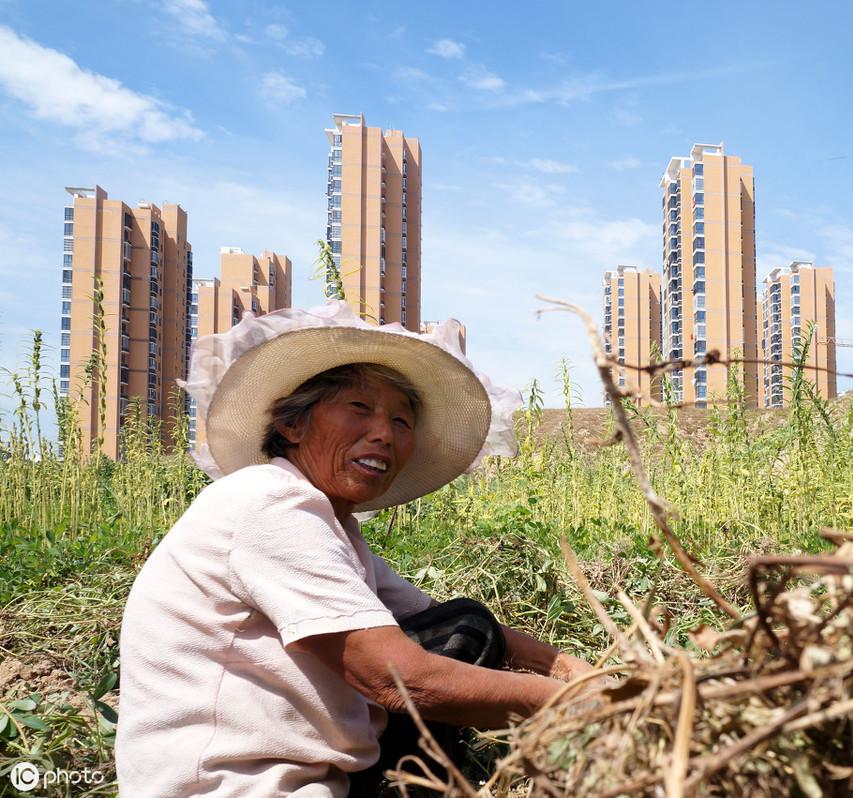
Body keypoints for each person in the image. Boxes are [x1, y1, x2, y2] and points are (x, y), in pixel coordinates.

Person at [115, 302, 594, 797]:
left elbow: (449, 623)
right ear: (292, 425)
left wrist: (569, 668)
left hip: (317, 775)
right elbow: (400, 679)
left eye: (402, 422)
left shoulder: (332, 528)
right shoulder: (269, 504)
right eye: (359, 409)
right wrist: (580, 702)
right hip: (231, 785)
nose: (384, 434)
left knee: (466, 626)